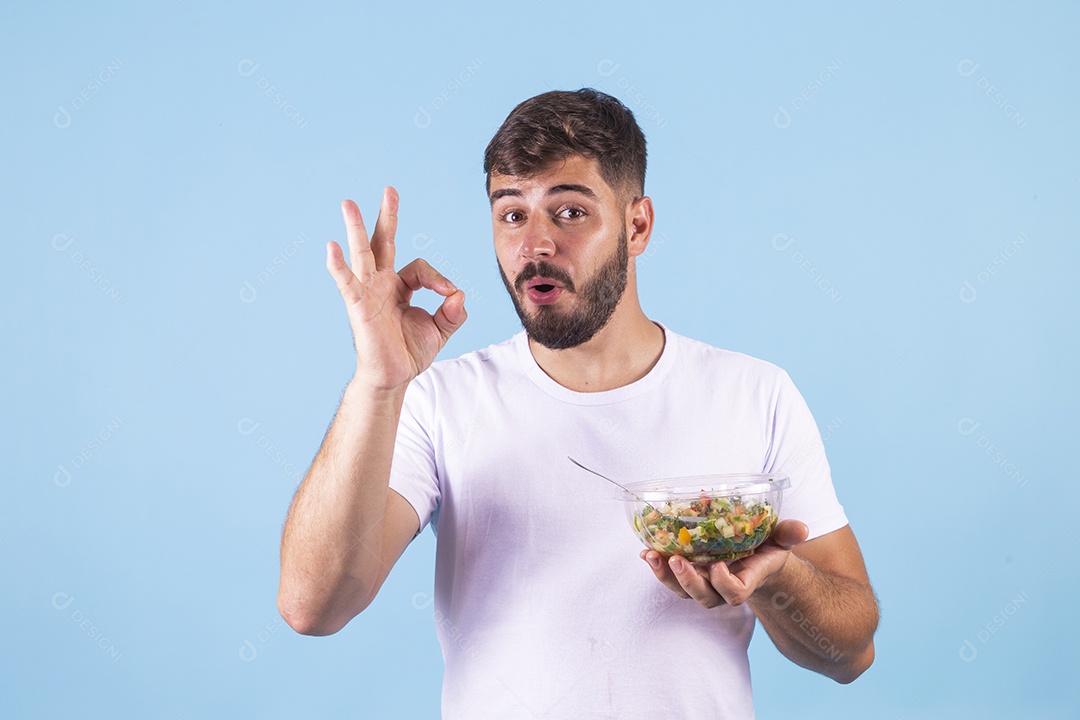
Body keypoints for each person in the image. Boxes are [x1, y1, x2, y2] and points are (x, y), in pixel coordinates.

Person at [277, 88, 878, 719]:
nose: (535, 244)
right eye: (512, 214)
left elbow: (851, 653)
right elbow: (312, 606)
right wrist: (376, 384)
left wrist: (776, 579)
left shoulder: (754, 393)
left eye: (569, 212)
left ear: (637, 225)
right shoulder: (439, 400)